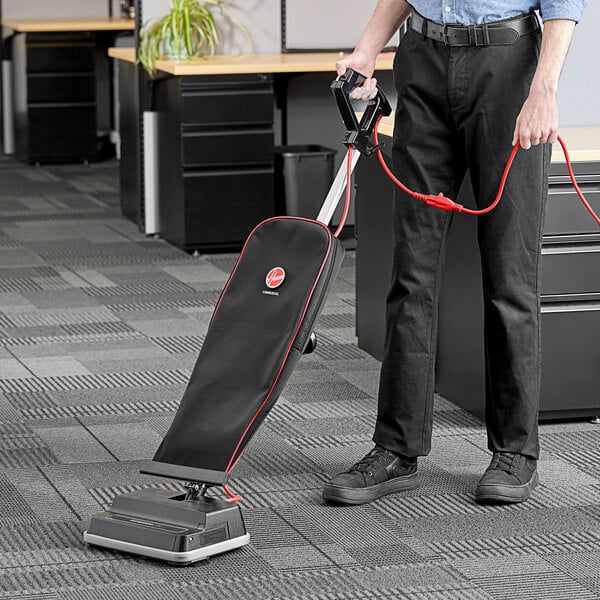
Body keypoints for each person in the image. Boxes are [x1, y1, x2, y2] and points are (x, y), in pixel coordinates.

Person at [323, 0, 587, 506]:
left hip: (507, 65)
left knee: (509, 273)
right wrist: (366, 49)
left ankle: (515, 450)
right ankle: (396, 448)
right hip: (423, 61)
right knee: (411, 272)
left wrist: (545, 89)